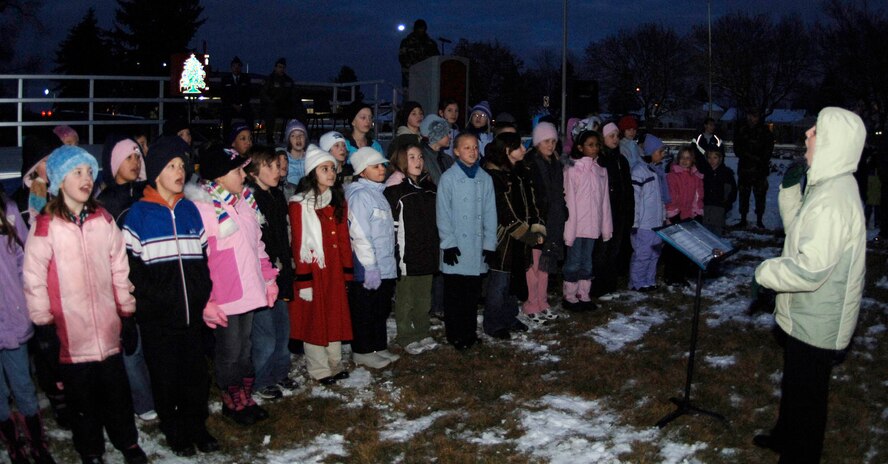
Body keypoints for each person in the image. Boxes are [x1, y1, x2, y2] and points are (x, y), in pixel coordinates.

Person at [752, 107, 867, 463]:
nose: (807, 135)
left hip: (818, 321)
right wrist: (789, 191)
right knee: (795, 387)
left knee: (807, 399)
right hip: (805, 313)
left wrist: (764, 273)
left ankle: (798, 454)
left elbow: (810, 268)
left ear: (832, 143)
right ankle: (785, 437)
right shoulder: (827, 186)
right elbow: (802, 231)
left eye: (815, 132)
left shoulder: (834, 199)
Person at [23, 145, 148, 464]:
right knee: (83, 400)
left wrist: (127, 312)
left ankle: (127, 442)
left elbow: (120, 266)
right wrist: (43, 325)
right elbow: (34, 277)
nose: (86, 178)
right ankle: (90, 449)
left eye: (90, 172)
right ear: (58, 181)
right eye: (77, 172)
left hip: (107, 332)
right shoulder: (46, 225)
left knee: (116, 394)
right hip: (71, 337)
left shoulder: (102, 218)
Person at [122, 136, 218, 456]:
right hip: (159, 320)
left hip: (192, 314)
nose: (180, 171)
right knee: (166, 378)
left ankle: (196, 426)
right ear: (155, 173)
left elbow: (202, 258)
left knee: (195, 376)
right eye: (171, 166)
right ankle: (174, 429)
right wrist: (156, 300)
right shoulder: (138, 215)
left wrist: (203, 291)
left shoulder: (190, 210)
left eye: (182, 165)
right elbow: (131, 270)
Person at [185, 145, 278, 426]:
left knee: (244, 345)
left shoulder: (243, 201)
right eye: (237, 170)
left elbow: (256, 244)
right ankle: (231, 399)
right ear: (219, 176)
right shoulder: (205, 208)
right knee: (229, 349)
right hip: (225, 295)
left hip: (249, 288)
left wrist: (268, 277)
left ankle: (245, 395)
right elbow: (202, 257)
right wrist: (208, 298)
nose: (243, 175)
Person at [96, 136, 157, 424]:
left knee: (152, 342)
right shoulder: (106, 202)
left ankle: (156, 393)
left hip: (151, 281)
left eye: (137, 156)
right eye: (128, 157)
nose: (135, 161)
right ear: (113, 163)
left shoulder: (147, 193)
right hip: (124, 284)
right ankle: (142, 402)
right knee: (132, 346)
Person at [288, 147, 354, 385]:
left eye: (332, 169)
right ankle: (319, 367)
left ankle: (335, 362)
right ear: (312, 173)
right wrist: (304, 279)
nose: (331, 173)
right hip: (315, 271)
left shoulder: (337, 202)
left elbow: (344, 238)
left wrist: (347, 271)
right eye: (324, 169)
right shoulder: (300, 205)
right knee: (315, 318)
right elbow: (299, 243)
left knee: (334, 313)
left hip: (334, 270)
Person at [0, 190, 55, 464]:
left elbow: (25, 262)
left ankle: (37, 444)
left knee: (22, 384)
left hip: (12, 319)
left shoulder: (8, 211)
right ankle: (14, 445)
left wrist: (27, 304)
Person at [244, 145, 298, 401]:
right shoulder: (250, 200)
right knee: (264, 332)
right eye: (270, 166)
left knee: (281, 327)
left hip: (281, 272)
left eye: (278, 166)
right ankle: (262, 379)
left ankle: (280, 371)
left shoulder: (276, 196)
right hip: (263, 276)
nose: (277, 170)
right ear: (254, 172)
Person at [436, 133, 497, 350]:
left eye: (474, 147)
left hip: (476, 247)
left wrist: (490, 244)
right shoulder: (448, 179)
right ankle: (455, 334)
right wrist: (448, 242)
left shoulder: (485, 178)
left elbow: (490, 213)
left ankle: (469, 332)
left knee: (471, 295)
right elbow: (443, 212)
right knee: (455, 296)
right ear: (456, 151)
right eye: (466, 147)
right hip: (456, 248)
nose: (472, 151)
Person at [345, 147, 400, 368]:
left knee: (380, 308)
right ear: (361, 171)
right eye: (375, 166)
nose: (382, 169)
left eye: (383, 165)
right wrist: (370, 266)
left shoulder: (378, 193)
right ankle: (363, 350)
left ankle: (378, 346)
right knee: (365, 309)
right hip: (368, 266)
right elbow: (359, 234)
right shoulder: (360, 196)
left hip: (384, 264)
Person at [482, 133, 541, 336]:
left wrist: (535, 225)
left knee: (512, 283)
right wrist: (527, 235)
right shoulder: (493, 176)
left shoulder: (517, 172)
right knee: (499, 283)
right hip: (502, 240)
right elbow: (504, 213)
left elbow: (528, 201)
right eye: (519, 147)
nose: (524, 150)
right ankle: (493, 323)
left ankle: (509, 316)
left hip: (517, 239)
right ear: (507, 151)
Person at [384, 143, 440, 354]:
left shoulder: (429, 188)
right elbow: (392, 226)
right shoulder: (396, 191)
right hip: (407, 255)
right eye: (411, 157)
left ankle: (423, 331)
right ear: (401, 161)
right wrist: (396, 254)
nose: (418, 161)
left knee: (423, 297)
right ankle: (406, 334)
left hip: (427, 253)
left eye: (420, 157)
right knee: (406, 297)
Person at [562, 130, 612, 311]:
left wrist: (606, 227)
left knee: (587, 262)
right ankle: (569, 296)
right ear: (580, 147)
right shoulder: (573, 169)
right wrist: (570, 229)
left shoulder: (601, 171)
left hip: (592, 226)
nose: (595, 148)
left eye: (597, 145)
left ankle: (583, 294)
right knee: (574, 262)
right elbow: (569, 201)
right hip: (577, 227)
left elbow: (604, 201)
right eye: (590, 145)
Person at [523, 122, 562, 323]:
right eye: (547, 141)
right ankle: (531, 303)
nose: (551, 145)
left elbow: (558, 192)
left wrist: (562, 210)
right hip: (536, 221)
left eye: (554, 141)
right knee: (534, 266)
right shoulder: (529, 163)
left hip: (552, 220)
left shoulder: (555, 163)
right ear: (538, 142)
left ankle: (542, 301)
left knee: (545, 264)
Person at [593, 122, 634, 300]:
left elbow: (628, 188)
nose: (616, 139)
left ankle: (610, 285)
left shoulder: (621, 160)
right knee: (602, 250)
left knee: (614, 249)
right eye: (611, 136)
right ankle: (598, 287)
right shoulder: (600, 160)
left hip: (619, 211)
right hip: (604, 212)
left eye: (617, 135)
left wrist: (630, 210)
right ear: (602, 138)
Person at [629, 135, 668, 292]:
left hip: (657, 223)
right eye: (660, 151)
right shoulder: (639, 171)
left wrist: (664, 217)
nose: (663, 154)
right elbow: (636, 200)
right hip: (644, 224)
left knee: (654, 255)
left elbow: (662, 199)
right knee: (643, 255)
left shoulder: (658, 172)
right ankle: (637, 282)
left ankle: (649, 280)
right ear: (651, 152)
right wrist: (635, 222)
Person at [663, 145, 704, 287]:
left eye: (688, 158)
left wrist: (697, 213)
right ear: (678, 158)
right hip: (675, 216)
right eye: (682, 158)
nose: (685, 161)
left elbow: (698, 197)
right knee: (672, 248)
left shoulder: (696, 177)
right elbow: (671, 196)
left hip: (688, 216)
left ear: (692, 160)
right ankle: (669, 275)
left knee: (685, 249)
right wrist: (673, 214)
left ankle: (680, 275)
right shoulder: (672, 176)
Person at [734, 109, 775, 229]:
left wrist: (758, 159)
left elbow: (768, 150)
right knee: (743, 195)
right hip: (744, 169)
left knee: (760, 196)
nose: (752, 118)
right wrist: (747, 156)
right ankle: (743, 219)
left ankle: (759, 220)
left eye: (755, 116)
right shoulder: (741, 130)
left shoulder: (765, 131)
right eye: (750, 115)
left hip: (759, 170)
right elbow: (737, 149)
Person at [261, 58, 302, 145]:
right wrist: (271, 101)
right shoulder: (269, 79)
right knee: (270, 111)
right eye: (279, 67)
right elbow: (263, 94)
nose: (281, 69)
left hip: (285, 106)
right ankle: (269, 137)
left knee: (299, 110)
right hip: (273, 105)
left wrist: (294, 102)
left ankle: (301, 135)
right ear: (275, 67)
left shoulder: (288, 80)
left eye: (283, 67)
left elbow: (294, 93)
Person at [700, 148, 737, 236]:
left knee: (716, 235)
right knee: (704, 235)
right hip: (705, 209)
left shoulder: (727, 174)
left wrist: (726, 206)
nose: (712, 160)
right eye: (709, 158)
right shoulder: (703, 172)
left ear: (720, 158)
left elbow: (732, 192)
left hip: (719, 210)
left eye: (715, 158)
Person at [398, 19, 439, 88]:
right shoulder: (406, 42)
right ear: (415, 28)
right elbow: (402, 59)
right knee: (411, 98)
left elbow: (436, 59)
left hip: (427, 81)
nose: (420, 30)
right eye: (419, 28)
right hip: (411, 80)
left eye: (422, 28)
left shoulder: (431, 44)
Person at [220, 56, 254, 140]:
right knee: (226, 115)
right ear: (231, 67)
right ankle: (226, 139)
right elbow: (223, 95)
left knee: (250, 115)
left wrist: (241, 105)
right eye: (234, 66)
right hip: (230, 106)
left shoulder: (246, 79)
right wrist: (233, 105)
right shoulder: (225, 79)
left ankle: (250, 137)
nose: (236, 68)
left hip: (243, 106)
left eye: (238, 66)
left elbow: (248, 94)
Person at [418, 114, 451, 185]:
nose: (450, 137)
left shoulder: (447, 159)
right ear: (436, 136)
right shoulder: (421, 158)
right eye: (446, 133)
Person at [283, 119, 309, 186]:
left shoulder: (310, 157)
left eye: (301, 135)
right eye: (293, 136)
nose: (298, 138)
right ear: (289, 140)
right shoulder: (284, 160)